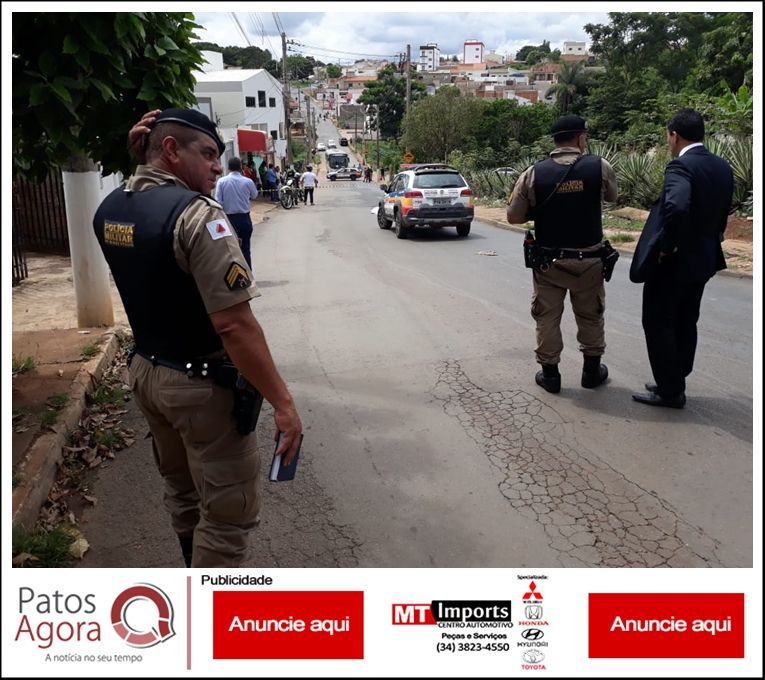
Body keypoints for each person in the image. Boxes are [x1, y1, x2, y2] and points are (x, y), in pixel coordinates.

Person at [94, 108, 303, 567]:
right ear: (170, 150)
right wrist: (285, 406)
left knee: (183, 492)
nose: (216, 166)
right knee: (227, 516)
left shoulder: (111, 208)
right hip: (200, 387)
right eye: (207, 154)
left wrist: (142, 159)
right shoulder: (197, 216)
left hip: (148, 371)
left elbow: (142, 201)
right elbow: (234, 325)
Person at [630, 108, 734, 409]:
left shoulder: (680, 167)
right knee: (687, 319)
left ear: (674, 135)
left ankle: (669, 390)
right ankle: (676, 376)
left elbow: (676, 207)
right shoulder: (722, 167)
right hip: (704, 258)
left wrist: (666, 248)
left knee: (658, 320)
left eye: (668, 136)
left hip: (675, 262)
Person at [507, 114, 618, 394]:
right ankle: (591, 373)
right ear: (580, 139)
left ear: (555, 141)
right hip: (590, 260)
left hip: (550, 263)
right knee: (591, 316)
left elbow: (513, 217)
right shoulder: (599, 166)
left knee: (547, 317)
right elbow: (612, 197)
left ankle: (551, 375)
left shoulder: (534, 173)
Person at [215, 157, 258, 268]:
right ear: (241, 168)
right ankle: (248, 276)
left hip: (228, 220)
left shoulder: (221, 181)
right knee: (245, 249)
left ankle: (233, 278)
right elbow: (254, 195)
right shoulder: (248, 182)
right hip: (244, 219)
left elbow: (218, 201)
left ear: (228, 168)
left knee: (230, 251)